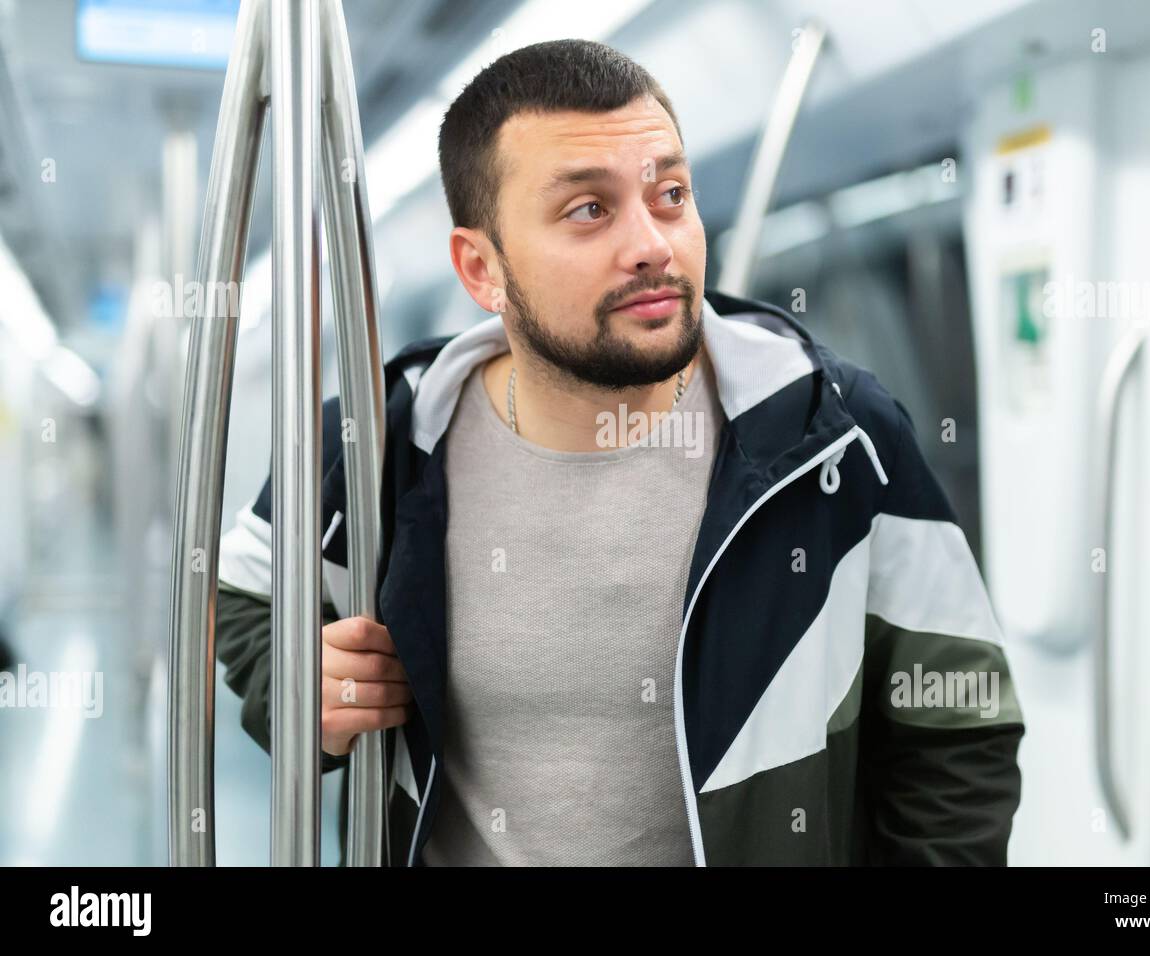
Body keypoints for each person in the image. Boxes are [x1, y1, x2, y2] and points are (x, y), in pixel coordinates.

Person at [215, 38, 1024, 867]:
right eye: (589, 210)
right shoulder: (378, 442)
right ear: (481, 269)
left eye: (670, 194)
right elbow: (240, 590)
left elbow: (958, 720)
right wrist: (298, 686)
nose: (652, 245)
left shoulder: (834, 437)